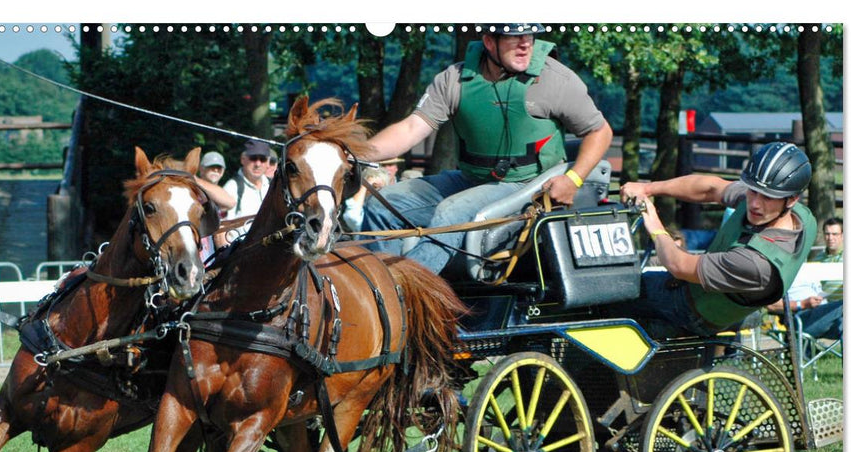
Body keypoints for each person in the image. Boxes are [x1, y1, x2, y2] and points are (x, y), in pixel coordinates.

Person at [359, 24, 613, 278]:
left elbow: (600, 132)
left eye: (530, 35)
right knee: (382, 205)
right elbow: (411, 128)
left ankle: (403, 293)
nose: (525, 43)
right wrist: (357, 154)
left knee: (452, 214)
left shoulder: (555, 79)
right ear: (490, 42)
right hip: (470, 180)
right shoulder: (454, 79)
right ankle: (378, 286)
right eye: (515, 37)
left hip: (528, 187)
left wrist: (574, 178)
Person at [618, 141, 817, 338]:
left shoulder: (757, 263)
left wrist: (653, 224)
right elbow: (711, 188)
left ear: (792, 199)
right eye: (752, 191)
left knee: (610, 297)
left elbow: (678, 265)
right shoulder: (800, 215)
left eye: (767, 197)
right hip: (710, 294)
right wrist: (648, 189)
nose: (755, 204)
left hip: (695, 310)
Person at [766, 217, 843, 343]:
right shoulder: (776, 269)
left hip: (825, 315)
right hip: (803, 319)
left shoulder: (807, 266)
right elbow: (771, 305)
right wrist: (802, 304)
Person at [341, 166, 392, 232]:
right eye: (372, 187)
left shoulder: (389, 208)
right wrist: (365, 185)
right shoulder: (352, 205)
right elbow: (352, 216)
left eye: (380, 189)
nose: (375, 192)